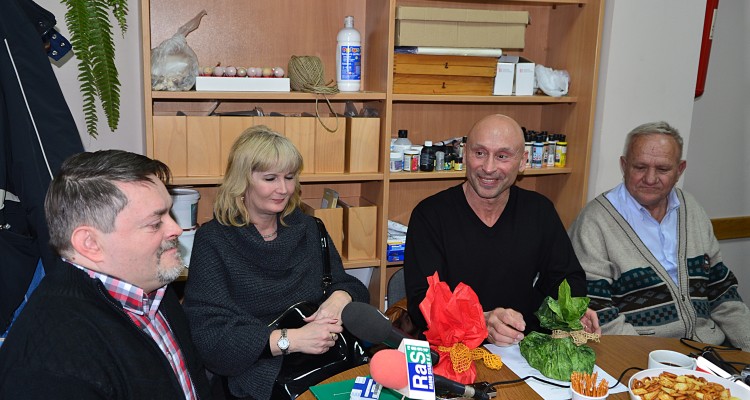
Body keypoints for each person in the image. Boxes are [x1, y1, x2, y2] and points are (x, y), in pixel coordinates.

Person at [0, 150, 211, 399]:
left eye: (170, 214)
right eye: (155, 223)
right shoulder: (52, 361)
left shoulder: (151, 284)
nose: (176, 228)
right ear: (90, 243)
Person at [182, 126, 369, 399]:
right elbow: (211, 338)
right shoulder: (214, 240)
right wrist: (292, 340)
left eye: (289, 177)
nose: (283, 189)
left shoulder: (309, 228)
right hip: (257, 374)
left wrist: (340, 298)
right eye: (270, 178)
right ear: (241, 181)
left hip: (328, 362)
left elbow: (350, 285)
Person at [404, 114, 600, 347]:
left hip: (523, 348)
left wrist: (572, 309)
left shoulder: (539, 211)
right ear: (465, 155)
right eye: (480, 153)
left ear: (523, 161)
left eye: (502, 156)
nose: (488, 168)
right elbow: (422, 304)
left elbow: (567, 278)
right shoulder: (430, 215)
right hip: (454, 350)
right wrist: (480, 321)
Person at [569, 121, 750, 351]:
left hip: (710, 349)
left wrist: (747, 347)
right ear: (624, 165)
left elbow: (722, 292)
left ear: (680, 170)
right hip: (640, 355)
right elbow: (597, 313)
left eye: (663, 169)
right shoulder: (594, 221)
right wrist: (650, 360)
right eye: (640, 167)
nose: (650, 178)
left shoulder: (691, 208)